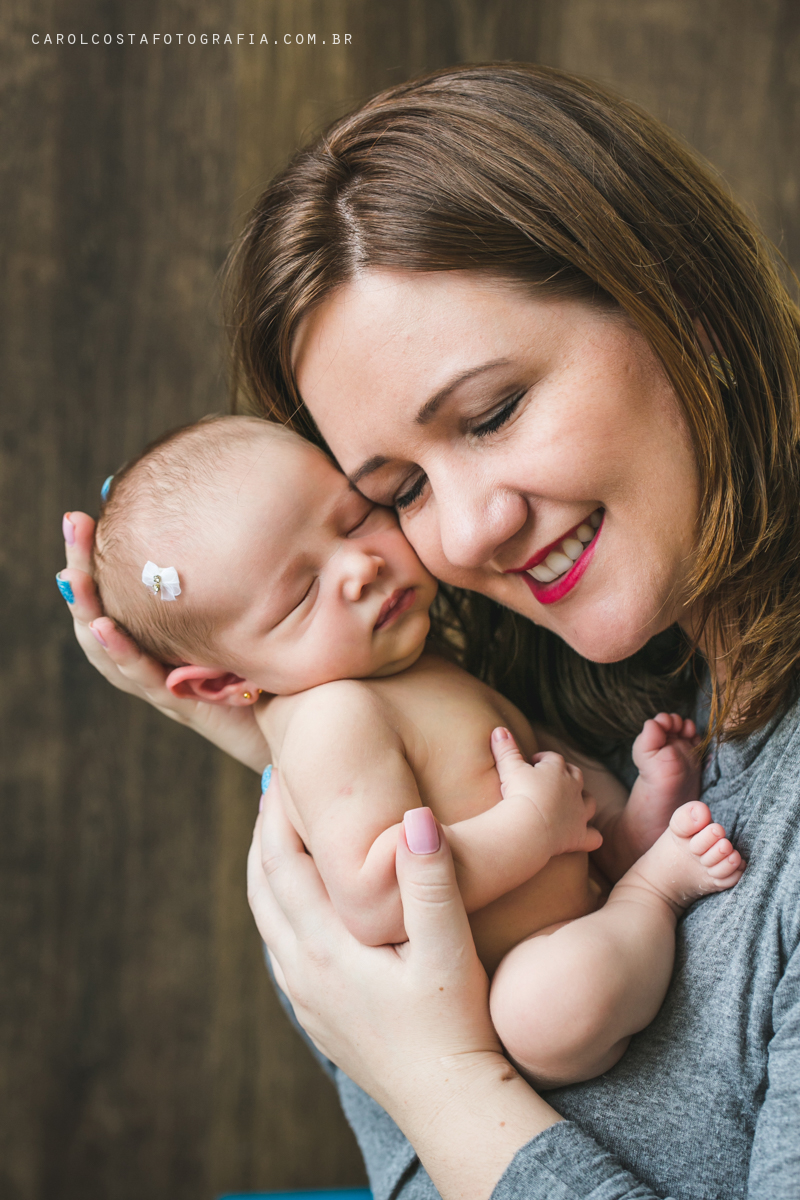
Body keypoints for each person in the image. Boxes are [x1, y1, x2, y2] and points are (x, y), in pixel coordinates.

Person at [58, 64, 800, 1199]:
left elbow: (444, 1124)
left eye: (493, 412)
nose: (465, 533)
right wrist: (298, 752)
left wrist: (437, 1076)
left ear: (677, 303)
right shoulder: (578, 687)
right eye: (396, 488)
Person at [89, 412, 740, 1087]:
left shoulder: (406, 664)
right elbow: (378, 897)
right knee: (548, 1006)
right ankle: (654, 892)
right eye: (302, 594)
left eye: (353, 521)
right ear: (225, 683)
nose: (360, 567)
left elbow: (521, 756)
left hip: (575, 889)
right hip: (518, 984)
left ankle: (636, 845)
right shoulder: (328, 720)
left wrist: (612, 812)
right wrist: (533, 828)